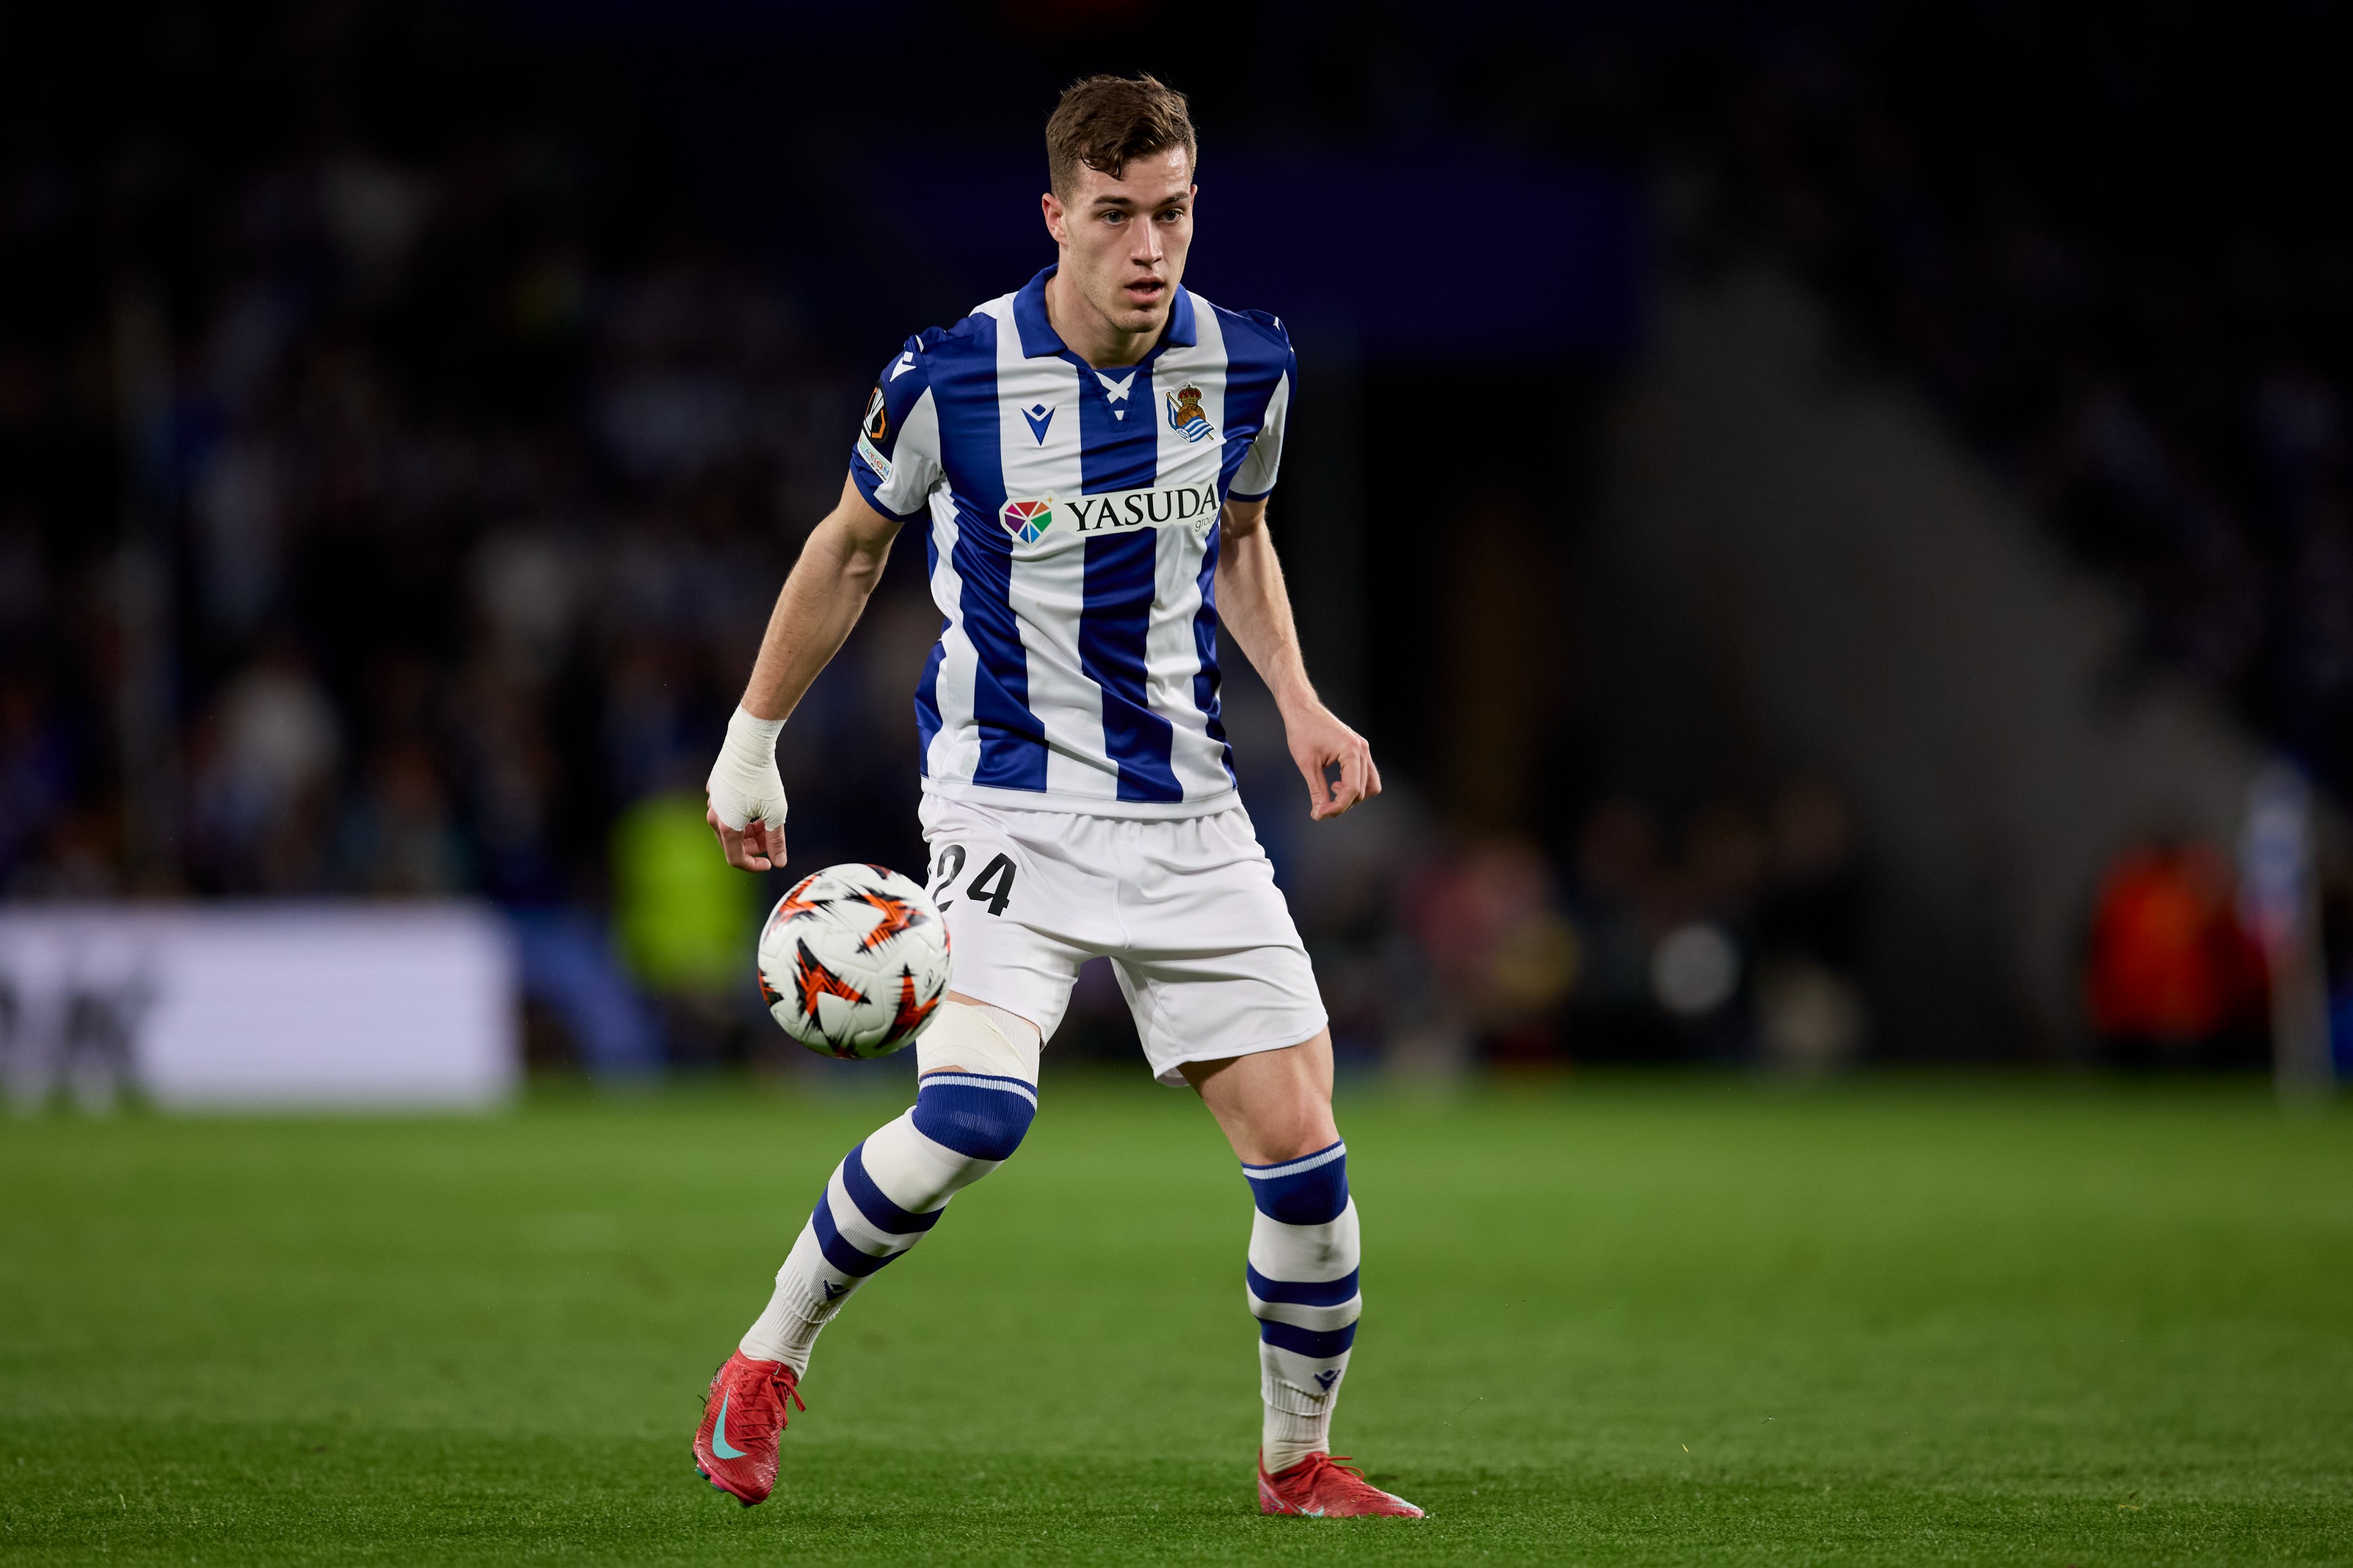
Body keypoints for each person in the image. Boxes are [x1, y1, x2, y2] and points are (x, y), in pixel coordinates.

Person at [694, 74, 1419, 1520]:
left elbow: (1242, 542)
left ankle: (1295, 1464)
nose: (1150, 248)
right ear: (1057, 217)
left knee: (1309, 1173)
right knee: (975, 1116)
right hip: (1005, 808)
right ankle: (765, 1360)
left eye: (1173, 213)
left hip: (1193, 816)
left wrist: (1301, 701)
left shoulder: (1251, 362)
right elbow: (848, 550)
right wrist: (749, 740)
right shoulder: (950, 375)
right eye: (1116, 218)